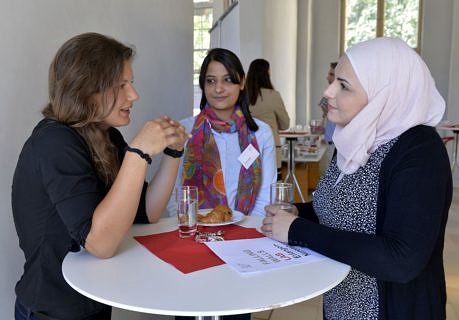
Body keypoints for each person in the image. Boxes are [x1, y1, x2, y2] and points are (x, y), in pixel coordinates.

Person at [261, 37, 452, 320]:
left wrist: (298, 230)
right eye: (333, 80)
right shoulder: (357, 138)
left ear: (385, 93)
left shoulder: (419, 151)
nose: (327, 91)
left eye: (343, 85)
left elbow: (402, 260)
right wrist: (297, 213)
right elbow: (341, 209)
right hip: (343, 305)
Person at [11, 33, 189, 320]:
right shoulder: (54, 143)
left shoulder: (108, 136)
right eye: (121, 85)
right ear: (86, 89)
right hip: (52, 310)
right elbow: (100, 244)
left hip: (93, 300)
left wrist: (173, 153)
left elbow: (148, 211)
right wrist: (139, 152)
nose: (134, 95)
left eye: (131, 83)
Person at [172, 48, 276, 319]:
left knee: (235, 309)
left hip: (240, 242)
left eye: (228, 79)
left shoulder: (260, 133)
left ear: (242, 82)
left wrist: (245, 244)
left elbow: (265, 196)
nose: (219, 88)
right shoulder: (185, 130)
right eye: (210, 80)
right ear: (203, 85)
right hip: (194, 240)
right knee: (188, 308)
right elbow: (176, 195)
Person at [246, 58, 290, 180]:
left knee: (251, 185)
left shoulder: (243, 96)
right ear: (267, 73)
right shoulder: (273, 95)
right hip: (271, 147)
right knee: (272, 186)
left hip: (248, 147)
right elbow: (285, 123)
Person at [319, 61, 337, 144]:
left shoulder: (341, 95)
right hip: (331, 141)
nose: (327, 77)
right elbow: (326, 113)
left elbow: (324, 109)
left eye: (331, 74)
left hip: (336, 143)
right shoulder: (331, 93)